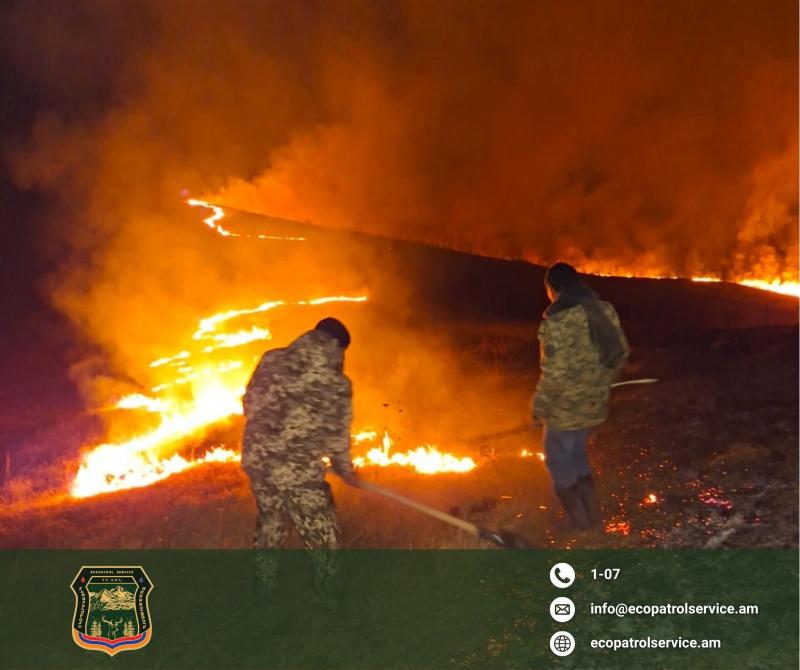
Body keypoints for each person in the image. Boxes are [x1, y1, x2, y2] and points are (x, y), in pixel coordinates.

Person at [241, 317, 358, 598]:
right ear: (337, 346)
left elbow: (249, 403)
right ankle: (330, 602)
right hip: (299, 472)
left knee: (270, 524)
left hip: (258, 462)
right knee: (323, 537)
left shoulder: (271, 359)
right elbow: (337, 435)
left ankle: (263, 594)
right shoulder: (337, 382)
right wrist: (344, 469)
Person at [532, 262, 628, 530]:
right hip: (593, 401)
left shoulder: (558, 321)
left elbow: (553, 374)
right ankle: (593, 517)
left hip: (566, 407)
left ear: (552, 289)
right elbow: (619, 352)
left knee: (557, 459)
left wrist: (539, 408)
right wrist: (600, 385)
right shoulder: (602, 310)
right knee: (576, 453)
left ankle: (579, 523)